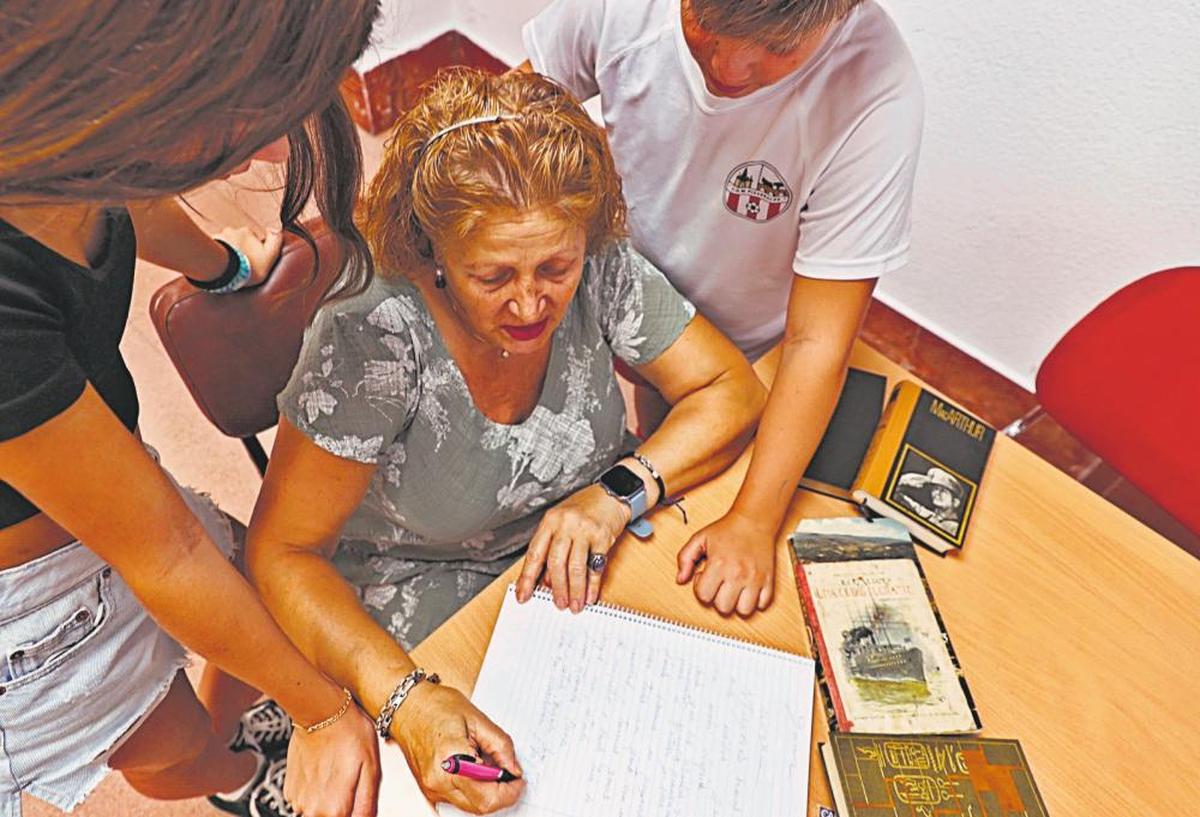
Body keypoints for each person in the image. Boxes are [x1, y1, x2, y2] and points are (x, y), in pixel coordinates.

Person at [245, 67, 765, 814]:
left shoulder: (599, 264)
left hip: (579, 556)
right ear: (432, 251)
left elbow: (730, 390)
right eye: (492, 276)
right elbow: (280, 553)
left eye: (555, 267)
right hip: (417, 590)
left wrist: (615, 492)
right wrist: (405, 702)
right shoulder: (374, 336)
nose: (530, 303)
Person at [0, 3, 385, 817]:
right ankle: (239, 781)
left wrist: (225, 267)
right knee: (170, 746)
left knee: (253, 584)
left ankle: (239, 738)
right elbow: (166, 552)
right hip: (32, 612)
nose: (278, 151)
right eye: (250, 116)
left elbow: (118, 199)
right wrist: (323, 708)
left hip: (110, 484)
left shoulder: (72, 140)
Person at [519, 0, 924, 617]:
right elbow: (502, 121)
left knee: (685, 472)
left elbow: (819, 342)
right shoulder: (625, 16)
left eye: (776, 48)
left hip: (749, 348)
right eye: (704, 27)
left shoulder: (874, 89)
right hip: (625, 296)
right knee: (645, 435)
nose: (730, 69)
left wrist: (754, 520)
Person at [894, 467, 965, 537]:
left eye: (943, 491)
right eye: (935, 488)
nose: (937, 493)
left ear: (955, 502)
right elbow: (896, 496)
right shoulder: (926, 515)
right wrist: (904, 480)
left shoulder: (955, 529)